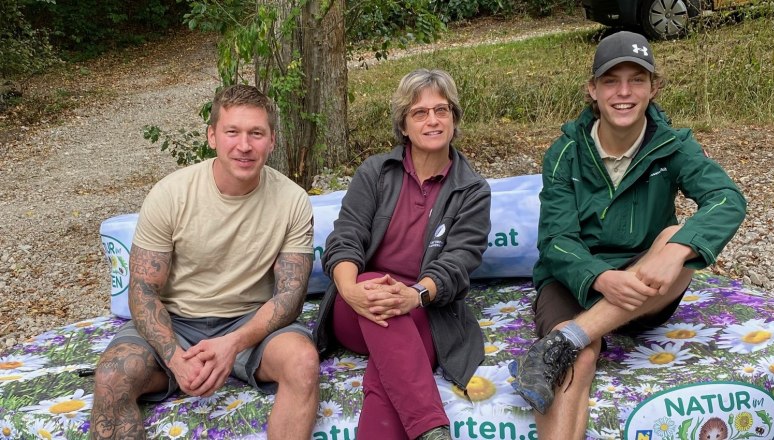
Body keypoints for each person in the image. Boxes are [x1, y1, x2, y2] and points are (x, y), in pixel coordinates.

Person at [511, 31, 746, 439]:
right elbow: (556, 240)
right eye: (610, 81)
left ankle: (566, 337)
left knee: (677, 235)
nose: (624, 92)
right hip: (575, 280)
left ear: (653, 87)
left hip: (646, 287)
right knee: (578, 360)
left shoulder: (673, 146)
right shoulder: (564, 152)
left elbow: (726, 198)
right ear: (593, 89)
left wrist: (675, 253)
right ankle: (573, 342)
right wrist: (601, 277)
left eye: (636, 79)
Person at [90, 85, 320, 440]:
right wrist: (175, 358)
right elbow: (143, 290)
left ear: (272, 140)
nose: (244, 145)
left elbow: (289, 298)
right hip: (176, 321)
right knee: (112, 376)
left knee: (303, 362)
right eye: (232, 132)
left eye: (256, 133)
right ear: (212, 136)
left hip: (251, 322)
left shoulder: (292, 200)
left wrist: (233, 343)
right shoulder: (171, 193)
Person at [313, 68, 491, 440]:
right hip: (356, 305)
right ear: (404, 125)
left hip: (424, 309)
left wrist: (415, 295)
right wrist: (350, 290)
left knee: (388, 374)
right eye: (419, 113)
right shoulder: (376, 172)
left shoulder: (472, 190)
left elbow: (459, 262)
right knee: (373, 285)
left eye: (441, 110)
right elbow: (346, 237)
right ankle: (431, 427)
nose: (432, 120)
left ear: (454, 120)